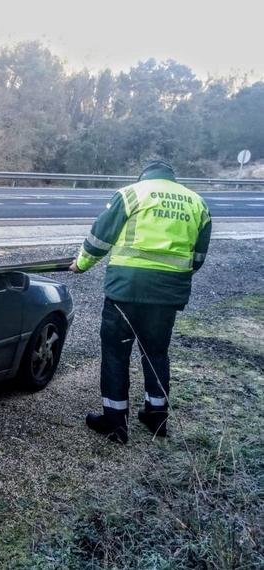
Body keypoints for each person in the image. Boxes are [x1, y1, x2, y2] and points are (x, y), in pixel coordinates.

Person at [69, 160, 212, 443]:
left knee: (115, 354)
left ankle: (115, 423)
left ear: (143, 176)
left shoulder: (132, 193)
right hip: (167, 295)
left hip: (126, 290)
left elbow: (100, 237)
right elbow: (197, 258)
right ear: (172, 178)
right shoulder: (197, 203)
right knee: (156, 353)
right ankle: (157, 419)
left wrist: (81, 264)